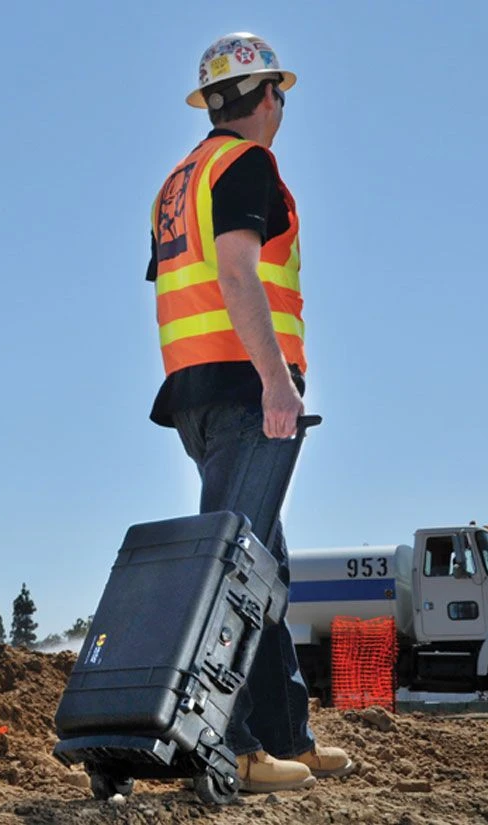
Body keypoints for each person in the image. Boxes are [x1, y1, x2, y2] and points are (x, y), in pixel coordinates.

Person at [146, 33, 354, 793]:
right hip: (242, 390)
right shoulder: (246, 164)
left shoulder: (181, 179)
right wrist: (277, 381)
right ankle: (226, 745)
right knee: (233, 577)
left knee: (265, 569)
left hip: (199, 394)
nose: (282, 107)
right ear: (267, 97)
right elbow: (236, 273)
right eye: (281, 95)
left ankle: (283, 733)